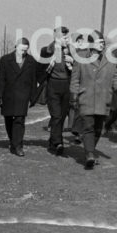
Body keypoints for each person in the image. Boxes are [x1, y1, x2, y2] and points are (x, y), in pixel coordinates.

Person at [69, 31, 117, 169]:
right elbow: (75, 79)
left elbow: (115, 77)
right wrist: (74, 96)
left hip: (103, 98)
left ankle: (90, 151)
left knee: (99, 128)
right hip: (86, 97)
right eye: (100, 42)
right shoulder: (81, 57)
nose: (102, 45)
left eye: (103, 42)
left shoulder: (109, 59)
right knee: (88, 127)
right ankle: (89, 155)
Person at [0, 38, 39, 157]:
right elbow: (1, 79)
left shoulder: (31, 61)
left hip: (23, 95)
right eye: (21, 49)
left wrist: (33, 97)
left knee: (19, 119)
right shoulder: (5, 60)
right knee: (8, 119)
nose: (23, 52)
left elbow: (34, 80)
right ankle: (13, 141)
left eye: (25, 50)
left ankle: (18, 145)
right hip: (8, 94)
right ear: (16, 47)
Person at [39, 26, 73, 155]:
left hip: (66, 87)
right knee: (56, 115)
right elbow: (45, 54)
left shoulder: (71, 51)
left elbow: (78, 68)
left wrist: (73, 60)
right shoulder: (48, 50)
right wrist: (56, 45)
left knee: (62, 116)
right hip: (53, 86)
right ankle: (59, 143)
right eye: (64, 37)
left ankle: (53, 140)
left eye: (67, 37)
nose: (67, 39)